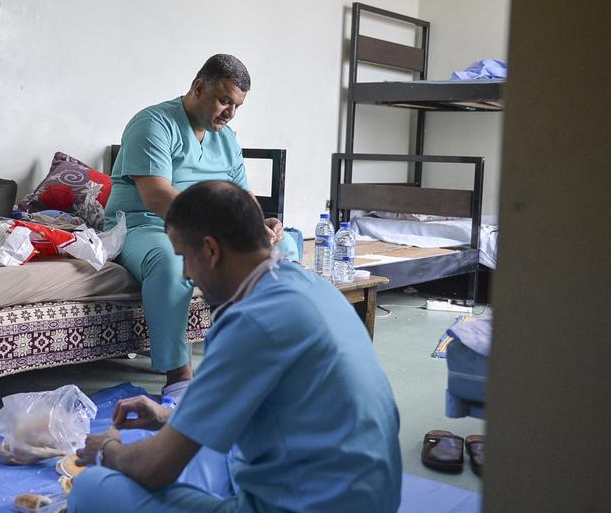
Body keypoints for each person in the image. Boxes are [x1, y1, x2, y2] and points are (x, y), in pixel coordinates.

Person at [72, 181, 402, 513]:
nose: (186, 273)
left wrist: (108, 449)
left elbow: (154, 469)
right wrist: (168, 417)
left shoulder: (250, 322)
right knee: (208, 449)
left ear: (211, 250)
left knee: (92, 487)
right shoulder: (314, 287)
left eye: (185, 258)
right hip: (376, 498)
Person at [104, 55, 283, 402]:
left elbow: (243, 198)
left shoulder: (226, 138)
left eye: (237, 105)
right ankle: (177, 374)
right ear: (199, 87)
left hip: (205, 228)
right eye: (224, 100)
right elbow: (157, 197)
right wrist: (220, 227)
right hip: (147, 225)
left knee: (278, 251)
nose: (230, 112)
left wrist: (258, 224)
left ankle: (251, 362)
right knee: (171, 262)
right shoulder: (153, 123)